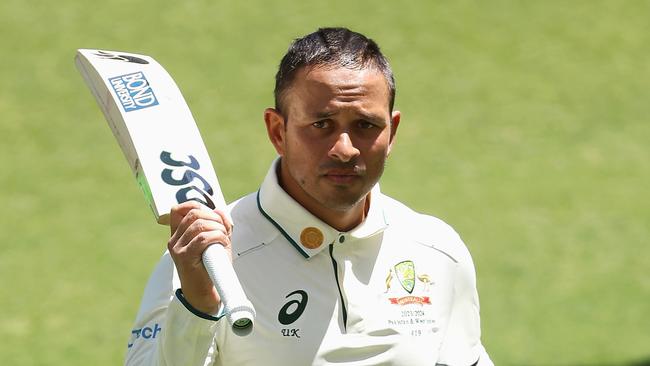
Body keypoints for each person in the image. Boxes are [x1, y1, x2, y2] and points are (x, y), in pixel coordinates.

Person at [125, 27, 493, 366]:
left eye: (366, 125)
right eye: (322, 125)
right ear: (277, 130)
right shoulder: (206, 260)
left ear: (392, 131)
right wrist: (199, 305)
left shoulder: (438, 250)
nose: (345, 149)